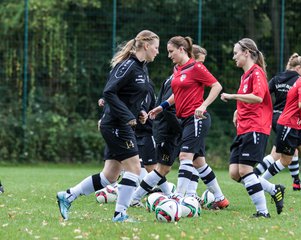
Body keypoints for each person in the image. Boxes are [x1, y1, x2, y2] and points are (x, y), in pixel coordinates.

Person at [56, 30, 160, 222]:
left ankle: (68, 195)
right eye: (156, 47)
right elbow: (109, 91)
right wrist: (128, 116)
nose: (158, 52)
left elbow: (128, 97)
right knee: (135, 169)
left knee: (110, 176)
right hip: (116, 125)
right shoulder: (127, 65)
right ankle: (120, 214)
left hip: (122, 124)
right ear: (146, 46)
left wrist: (140, 113)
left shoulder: (142, 69)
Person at [148, 36, 229, 209]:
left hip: (196, 118)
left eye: (171, 51)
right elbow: (176, 95)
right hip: (183, 119)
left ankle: (177, 198)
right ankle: (220, 198)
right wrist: (161, 107)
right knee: (199, 162)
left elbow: (217, 86)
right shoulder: (178, 69)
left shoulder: (196, 67)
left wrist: (204, 105)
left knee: (185, 157)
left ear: (182, 50)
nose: (169, 55)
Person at [220, 38, 285, 217]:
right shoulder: (245, 75)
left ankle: (262, 212)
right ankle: (273, 189)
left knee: (245, 170)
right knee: (234, 173)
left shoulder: (257, 73)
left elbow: (257, 97)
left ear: (246, 52)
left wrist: (233, 96)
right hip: (244, 127)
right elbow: (248, 99)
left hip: (256, 127)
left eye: (236, 53)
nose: (234, 57)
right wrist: (237, 111)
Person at [261, 53, 301, 183]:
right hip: (288, 124)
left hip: (298, 123)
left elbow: (300, 105)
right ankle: (260, 181)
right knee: (285, 160)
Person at [254, 53, 301, 191]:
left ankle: (296, 182)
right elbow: (300, 102)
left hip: (274, 117)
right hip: (287, 119)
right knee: (277, 153)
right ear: (299, 67)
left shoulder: (277, 78)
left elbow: (264, 94)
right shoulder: (300, 80)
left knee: (291, 150)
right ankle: (255, 176)